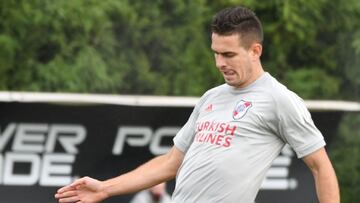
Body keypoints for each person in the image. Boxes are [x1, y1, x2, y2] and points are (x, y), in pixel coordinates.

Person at [55, 6, 340, 203]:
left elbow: (320, 166)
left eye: (228, 54)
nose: (219, 63)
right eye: (216, 53)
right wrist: (105, 188)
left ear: (255, 51)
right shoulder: (211, 98)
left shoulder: (279, 99)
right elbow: (170, 163)